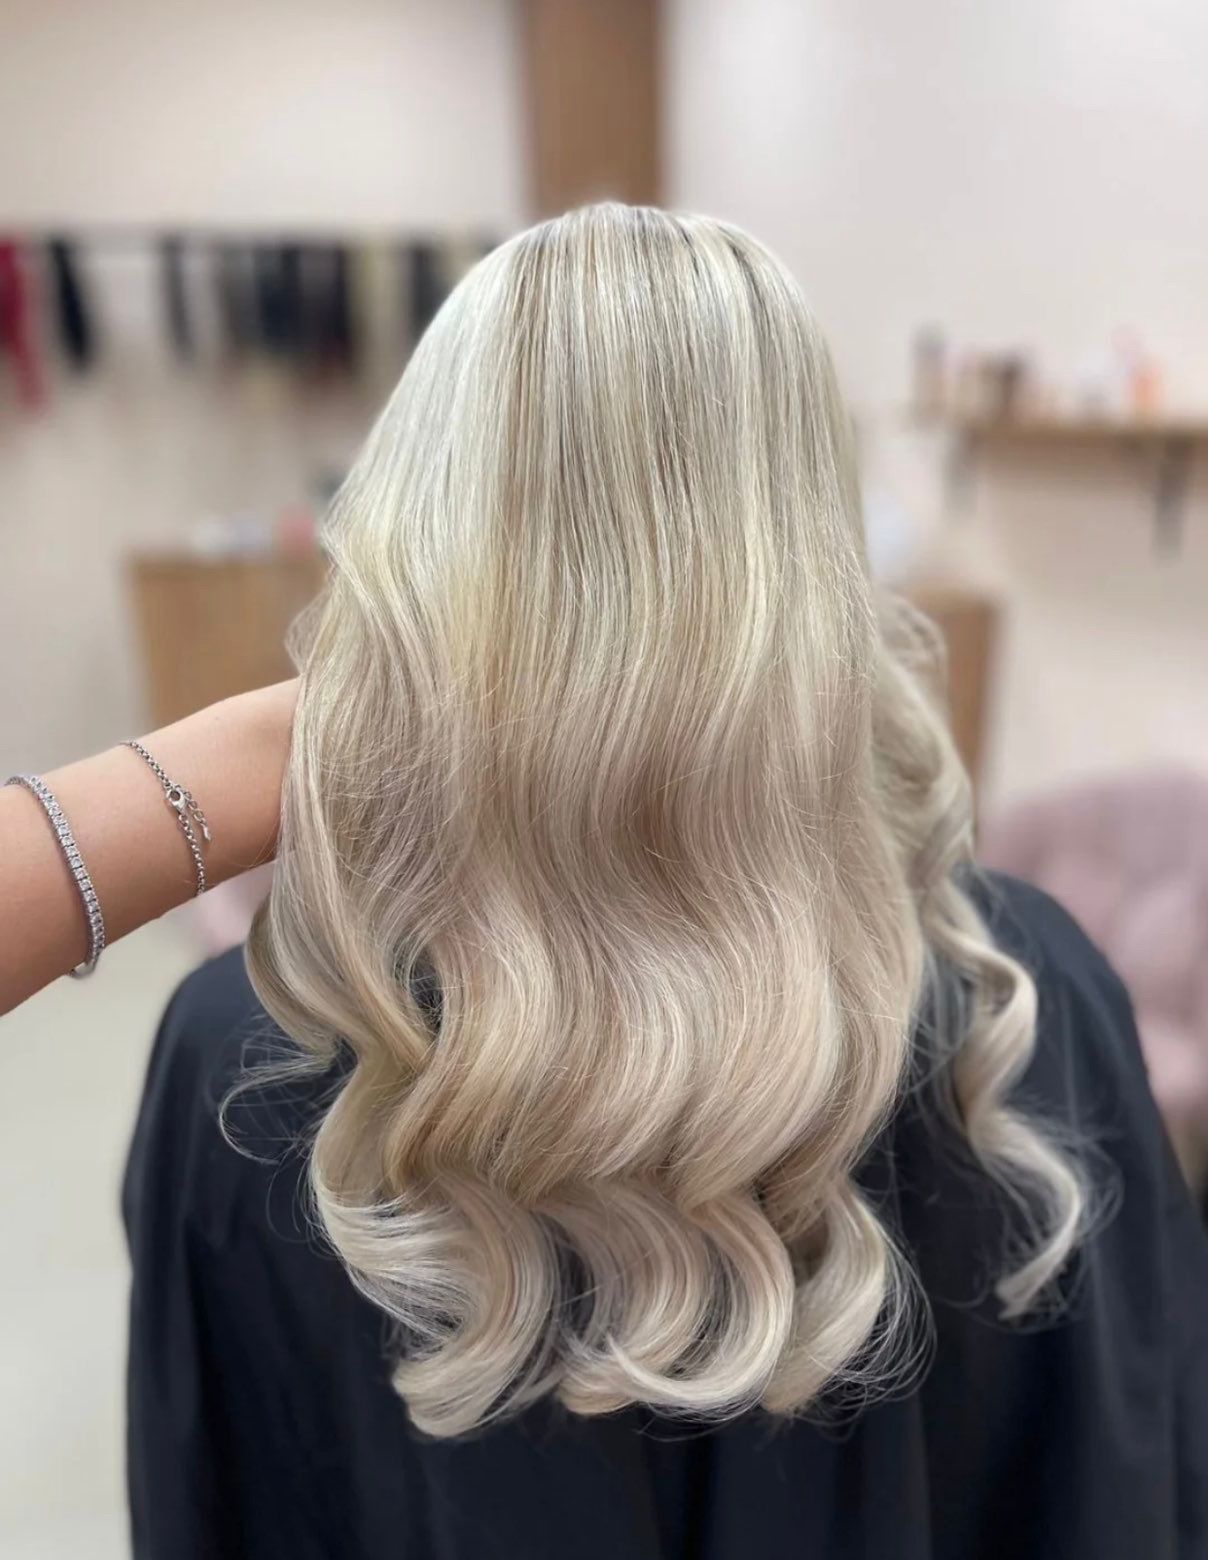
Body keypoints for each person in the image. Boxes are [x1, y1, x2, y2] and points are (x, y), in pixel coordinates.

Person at [5, 205, 1207, 1558]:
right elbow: (1127, 1481)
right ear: (811, 554)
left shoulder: (247, 1065)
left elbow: (218, 1500)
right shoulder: (1029, 1004)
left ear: (415, 522)